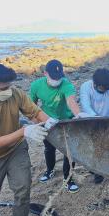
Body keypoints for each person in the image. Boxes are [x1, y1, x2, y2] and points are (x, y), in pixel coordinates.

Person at [0, 62, 51, 216]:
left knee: (23, 188)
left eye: (9, 87)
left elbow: (34, 111)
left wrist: (51, 122)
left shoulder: (15, 94)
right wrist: (24, 131)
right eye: (3, 89)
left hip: (16, 150)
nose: (8, 91)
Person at [30, 59, 80, 193]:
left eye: (59, 77)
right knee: (49, 149)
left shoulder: (66, 84)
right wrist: (37, 123)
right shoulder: (36, 86)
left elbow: (71, 101)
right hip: (47, 121)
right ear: (45, 73)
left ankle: (68, 178)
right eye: (53, 77)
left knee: (69, 152)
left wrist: (79, 115)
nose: (56, 80)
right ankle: (49, 170)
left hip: (66, 121)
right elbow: (30, 107)